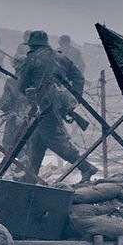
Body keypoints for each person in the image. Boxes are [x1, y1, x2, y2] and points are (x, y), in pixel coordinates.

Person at [13, 30, 95, 183]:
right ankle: (31, 176)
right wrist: (74, 99)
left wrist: (30, 93)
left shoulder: (32, 59)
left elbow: (22, 85)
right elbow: (78, 78)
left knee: (55, 140)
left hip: (42, 106)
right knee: (38, 140)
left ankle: (86, 167)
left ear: (32, 46)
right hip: (59, 104)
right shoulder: (61, 57)